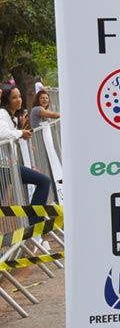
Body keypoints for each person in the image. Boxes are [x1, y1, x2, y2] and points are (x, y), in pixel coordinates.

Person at [0, 85, 52, 232]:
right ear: (6, 100)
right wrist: (20, 132)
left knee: (43, 181)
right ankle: (33, 225)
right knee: (43, 181)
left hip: (8, 166)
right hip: (4, 167)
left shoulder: (12, 116)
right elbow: (2, 133)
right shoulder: (2, 113)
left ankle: (33, 225)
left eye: (19, 96)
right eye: (14, 97)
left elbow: (10, 135)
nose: (19, 100)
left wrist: (19, 129)